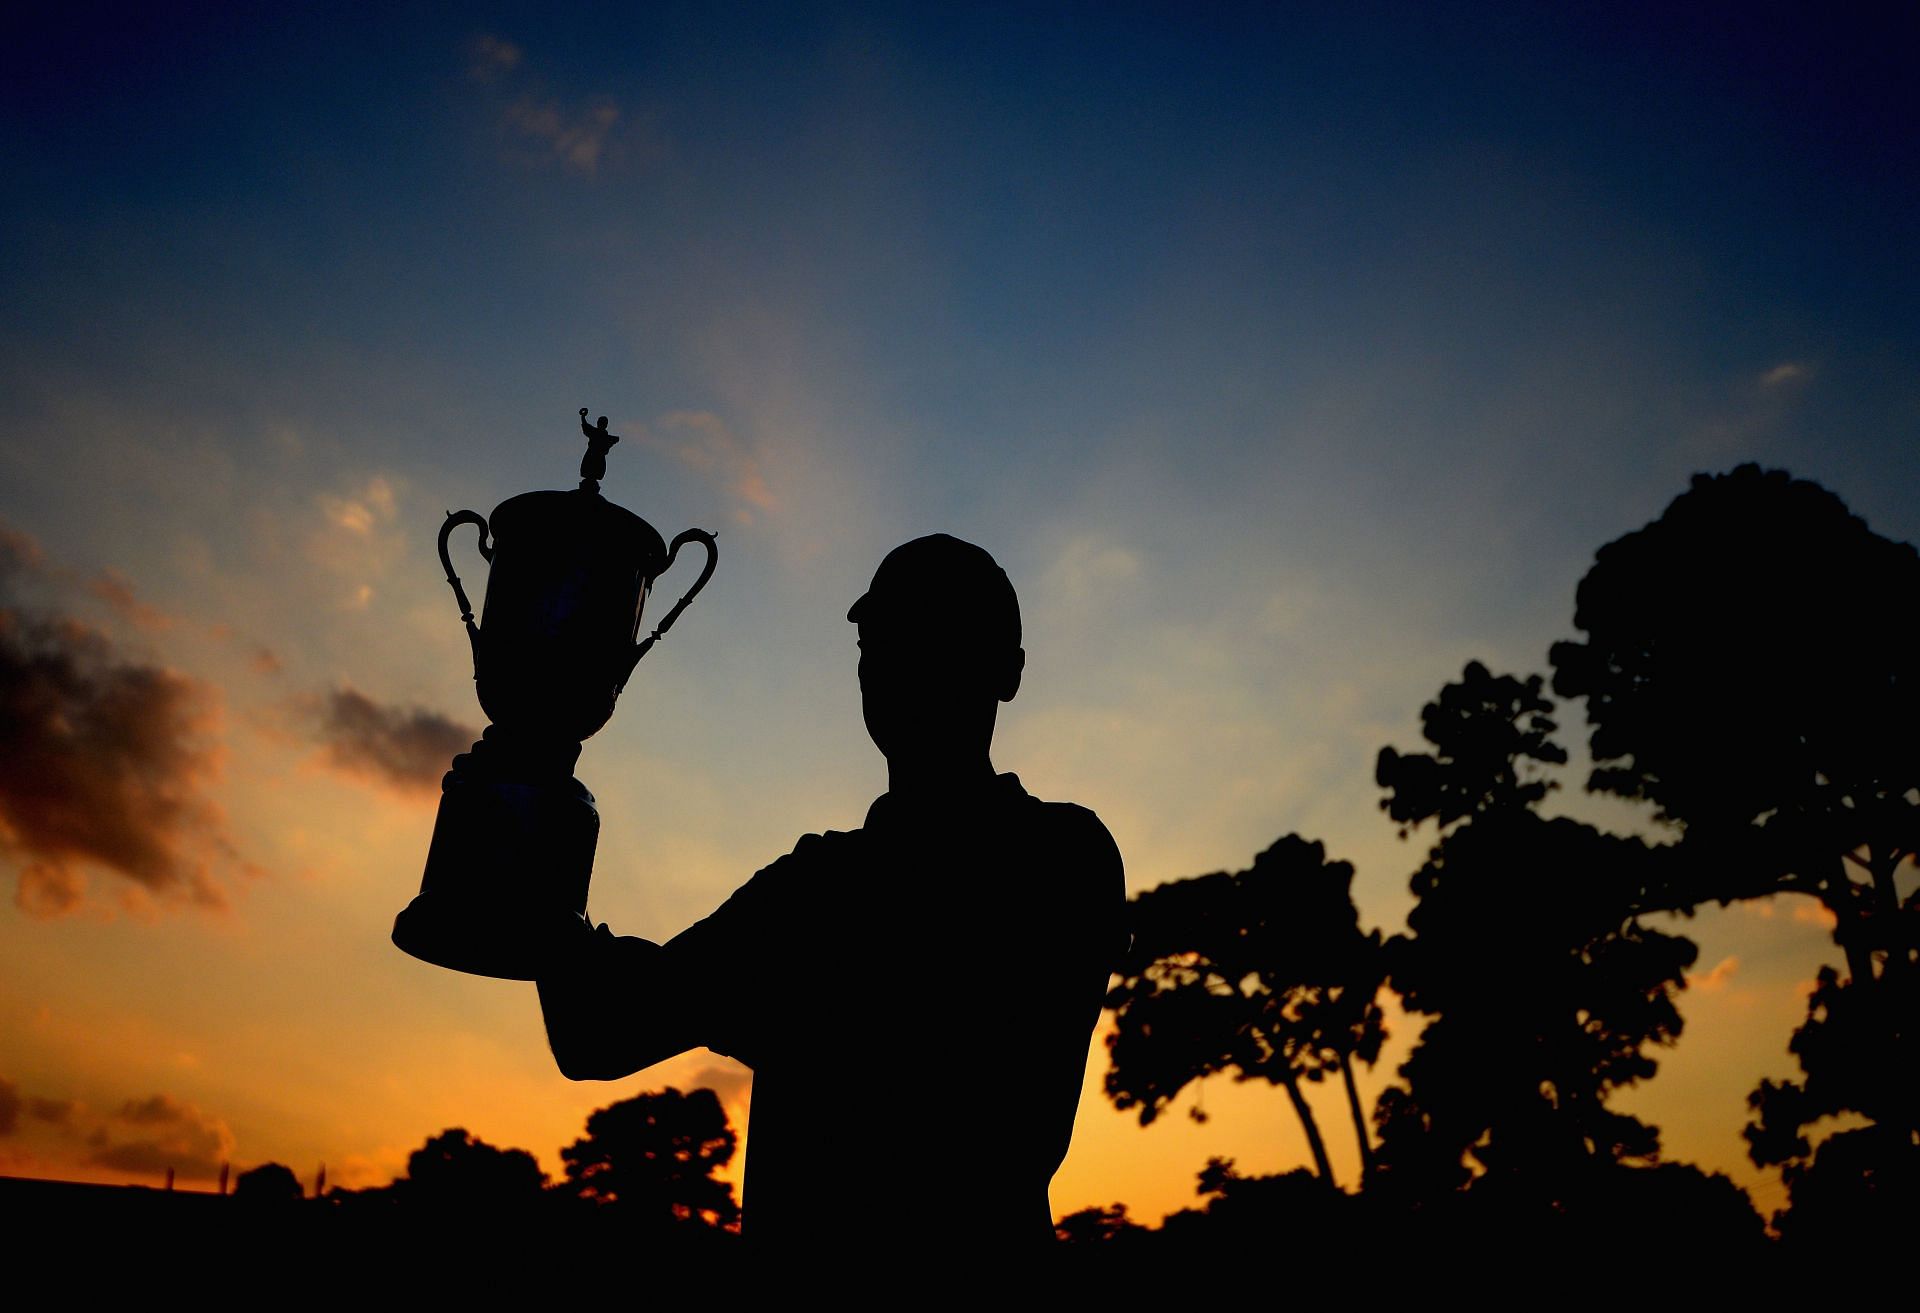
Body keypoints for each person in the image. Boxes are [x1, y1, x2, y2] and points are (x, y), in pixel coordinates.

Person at [535, 533, 1128, 1259]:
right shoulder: (814, 888)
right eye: (879, 638)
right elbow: (596, 1028)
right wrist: (538, 793)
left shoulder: (1055, 857)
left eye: (929, 633)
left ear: (1006, 671)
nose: (893, 660)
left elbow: (994, 1123)